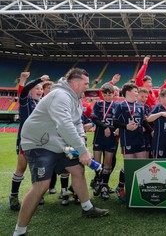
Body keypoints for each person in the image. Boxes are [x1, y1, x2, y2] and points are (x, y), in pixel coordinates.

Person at [13, 68, 108, 236]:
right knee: (41, 185)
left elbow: (77, 122)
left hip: (57, 143)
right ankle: (19, 231)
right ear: (76, 83)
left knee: (77, 170)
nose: (88, 86)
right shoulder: (61, 96)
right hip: (38, 144)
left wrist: (81, 138)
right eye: (86, 83)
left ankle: (87, 208)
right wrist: (82, 151)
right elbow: (64, 124)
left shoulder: (76, 98)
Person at [9, 72, 49, 211]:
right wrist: (37, 79)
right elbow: (24, 90)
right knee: (21, 168)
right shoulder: (26, 102)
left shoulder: (42, 104)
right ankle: (13, 196)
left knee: (37, 169)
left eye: (41, 88)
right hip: (25, 140)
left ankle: (38, 195)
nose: (39, 90)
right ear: (30, 90)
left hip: (39, 141)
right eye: (36, 88)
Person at [113, 83, 153, 202]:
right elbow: (115, 122)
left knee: (141, 165)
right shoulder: (121, 106)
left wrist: (152, 131)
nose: (137, 94)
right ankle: (121, 187)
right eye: (136, 91)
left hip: (139, 139)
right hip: (127, 140)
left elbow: (144, 122)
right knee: (128, 166)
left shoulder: (139, 106)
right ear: (129, 92)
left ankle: (139, 190)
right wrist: (126, 126)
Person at [91, 83, 118, 200]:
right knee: (96, 163)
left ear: (113, 94)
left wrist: (117, 129)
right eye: (105, 95)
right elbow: (94, 118)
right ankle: (98, 181)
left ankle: (104, 186)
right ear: (102, 94)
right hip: (99, 136)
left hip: (111, 138)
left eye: (110, 94)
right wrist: (105, 127)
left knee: (107, 163)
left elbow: (120, 121)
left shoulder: (117, 105)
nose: (107, 97)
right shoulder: (98, 104)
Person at [147, 89, 166, 158]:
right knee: (159, 163)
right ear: (162, 98)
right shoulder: (158, 107)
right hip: (160, 142)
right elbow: (149, 119)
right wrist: (161, 114)